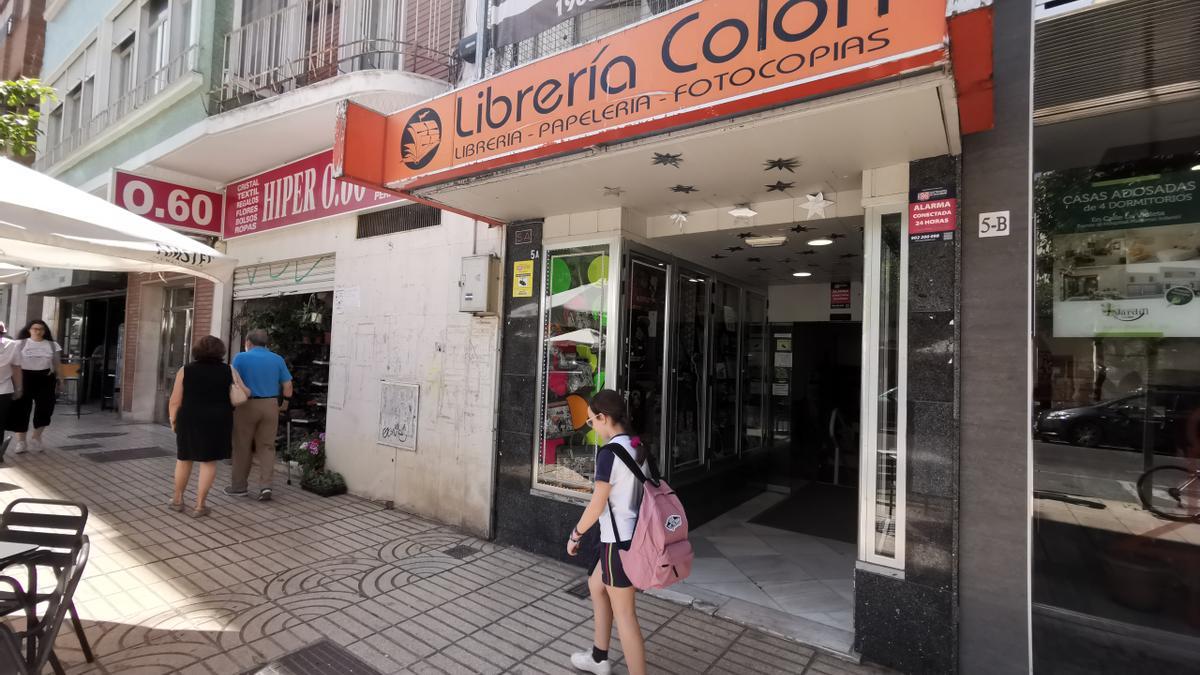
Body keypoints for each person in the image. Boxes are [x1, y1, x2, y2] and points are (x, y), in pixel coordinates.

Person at [567, 390, 648, 675]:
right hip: (630, 536)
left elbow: (597, 503)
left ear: (603, 417)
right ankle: (599, 657)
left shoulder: (609, 453)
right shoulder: (636, 445)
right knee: (596, 585)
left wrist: (576, 534)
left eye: (592, 421)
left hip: (618, 542)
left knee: (626, 616)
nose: (592, 427)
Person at [169, 336, 248, 517]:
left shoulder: (185, 370)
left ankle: (177, 500)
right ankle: (200, 506)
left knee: (184, 458)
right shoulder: (229, 370)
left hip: (189, 418)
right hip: (218, 420)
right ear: (220, 351)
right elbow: (245, 392)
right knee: (209, 462)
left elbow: (175, 400)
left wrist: (173, 420)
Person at [226, 329, 292, 501]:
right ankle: (266, 486)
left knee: (242, 446)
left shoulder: (241, 357)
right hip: (271, 405)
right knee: (267, 447)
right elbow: (288, 387)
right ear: (266, 343)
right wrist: (283, 405)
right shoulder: (277, 359)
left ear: (248, 342)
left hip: (246, 405)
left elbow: (233, 381)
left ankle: (239, 487)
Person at [9, 320, 62, 454]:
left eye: (41, 329)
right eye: (35, 328)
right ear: (29, 330)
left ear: (45, 331)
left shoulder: (52, 344)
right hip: (24, 377)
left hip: (46, 378)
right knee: (20, 408)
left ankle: (36, 437)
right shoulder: (19, 343)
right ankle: (21, 442)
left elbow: (57, 363)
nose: (38, 331)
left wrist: (61, 379)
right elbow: (13, 362)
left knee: (46, 407)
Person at [0, 323, 20, 460]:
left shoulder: (12, 345)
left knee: (0, 423)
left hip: (3, 389)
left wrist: (19, 387)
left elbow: (16, 368)